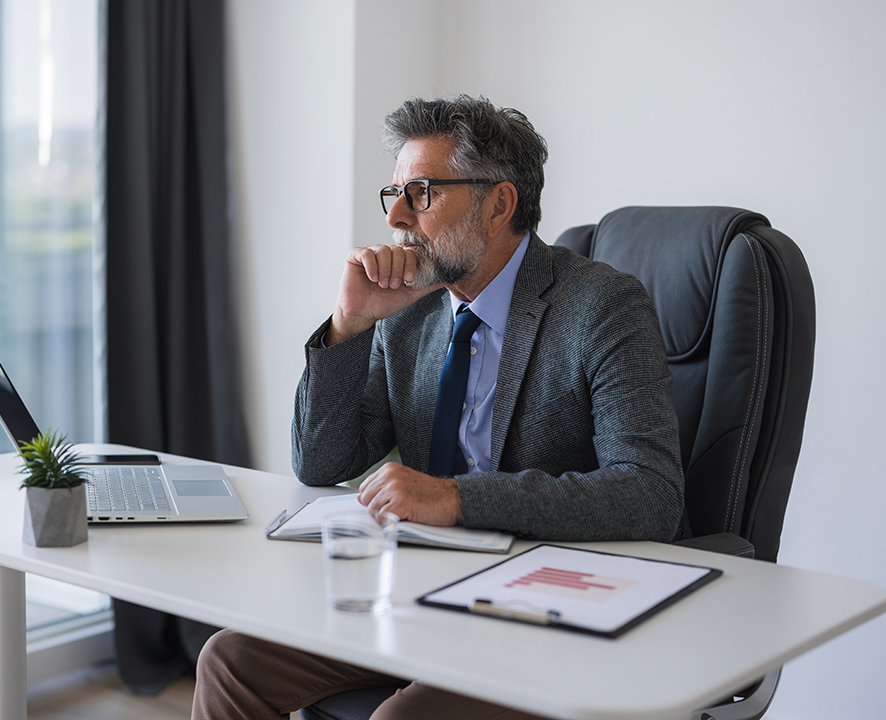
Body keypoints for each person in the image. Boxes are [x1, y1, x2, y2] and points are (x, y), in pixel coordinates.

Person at [191, 95, 689, 720]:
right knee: (230, 659)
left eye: (422, 193)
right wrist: (349, 324)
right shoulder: (411, 309)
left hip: (541, 607)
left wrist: (456, 499)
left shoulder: (601, 305)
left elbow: (650, 494)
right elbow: (320, 463)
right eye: (395, 193)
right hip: (426, 586)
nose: (396, 216)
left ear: (498, 206)